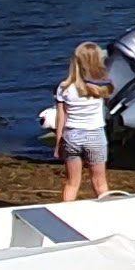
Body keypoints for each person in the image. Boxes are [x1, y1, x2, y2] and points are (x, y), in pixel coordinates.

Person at [51, 42, 115, 203]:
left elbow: (61, 118)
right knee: (100, 182)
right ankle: (109, 213)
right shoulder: (103, 87)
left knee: (72, 183)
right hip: (95, 135)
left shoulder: (64, 88)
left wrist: (58, 143)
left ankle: (66, 216)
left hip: (72, 135)